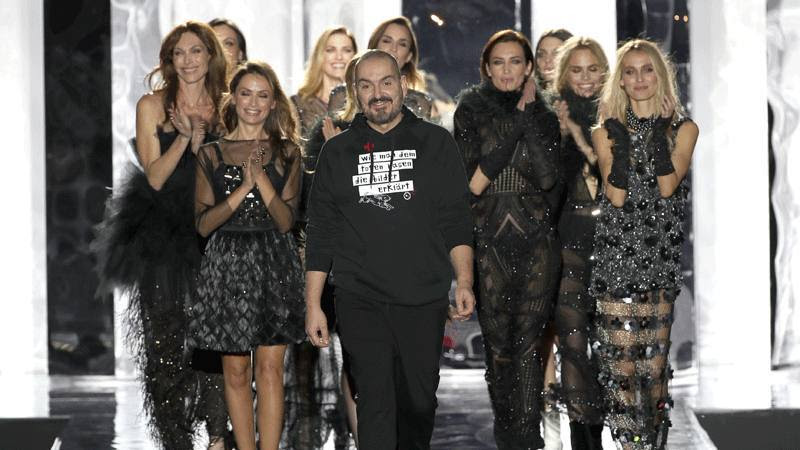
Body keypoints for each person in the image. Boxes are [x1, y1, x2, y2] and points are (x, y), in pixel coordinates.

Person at [304, 49, 475, 449]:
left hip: (423, 297)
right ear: (355, 92)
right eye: (366, 85)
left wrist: (464, 281)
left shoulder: (435, 143)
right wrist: (313, 303)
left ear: (402, 84)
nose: (377, 93)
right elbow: (321, 231)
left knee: (418, 403)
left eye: (385, 82)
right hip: (359, 298)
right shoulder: (337, 152)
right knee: (375, 402)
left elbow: (456, 220)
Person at [92, 21, 229, 449]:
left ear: (210, 56)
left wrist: (205, 145)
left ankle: (218, 436)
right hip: (164, 234)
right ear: (169, 61)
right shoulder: (153, 105)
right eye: (178, 53)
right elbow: (154, 177)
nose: (187, 61)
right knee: (165, 342)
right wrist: (184, 139)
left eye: (195, 51)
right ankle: (175, 440)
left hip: (215, 230)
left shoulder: (227, 105)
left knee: (217, 338)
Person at [188, 61, 306, 450]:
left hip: (275, 262)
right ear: (233, 99)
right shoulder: (210, 154)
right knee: (236, 371)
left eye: (262, 95)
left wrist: (262, 182)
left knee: (270, 370)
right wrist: (243, 187)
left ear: (273, 103)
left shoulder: (288, 152)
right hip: (227, 265)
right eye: (246, 93)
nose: (253, 103)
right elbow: (203, 224)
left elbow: (286, 221)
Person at [453, 29, 561, 450]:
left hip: (537, 243)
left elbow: (548, 178)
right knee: (499, 350)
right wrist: (518, 122)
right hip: (488, 242)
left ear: (529, 67)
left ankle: (529, 439)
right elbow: (470, 183)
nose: (507, 70)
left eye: (516, 61)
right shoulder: (469, 110)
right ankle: (507, 437)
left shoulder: (544, 115)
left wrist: (529, 116)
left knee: (529, 347)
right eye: (498, 62)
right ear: (486, 67)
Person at [589, 38, 698, 449]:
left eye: (647, 69)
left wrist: (654, 134)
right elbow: (616, 196)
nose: (639, 79)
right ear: (620, 80)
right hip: (616, 257)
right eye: (630, 71)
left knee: (652, 372)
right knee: (622, 370)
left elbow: (668, 186)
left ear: (661, 75)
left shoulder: (684, 129)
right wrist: (620, 137)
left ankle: (652, 444)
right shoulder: (604, 132)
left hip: (658, 259)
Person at [551, 36, 609, 450]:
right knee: (572, 348)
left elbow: (611, 173)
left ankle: (604, 432)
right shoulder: (548, 118)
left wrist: (577, 131)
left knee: (609, 352)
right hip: (567, 244)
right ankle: (581, 440)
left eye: (593, 69)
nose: (585, 78)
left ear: (605, 72)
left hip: (613, 249)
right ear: (563, 75)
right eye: (576, 70)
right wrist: (559, 131)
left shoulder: (619, 115)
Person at [291, 26, 357, 139]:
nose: (339, 57)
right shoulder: (297, 103)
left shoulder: (362, 101)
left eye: (346, 50)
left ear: (354, 55)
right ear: (320, 55)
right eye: (331, 50)